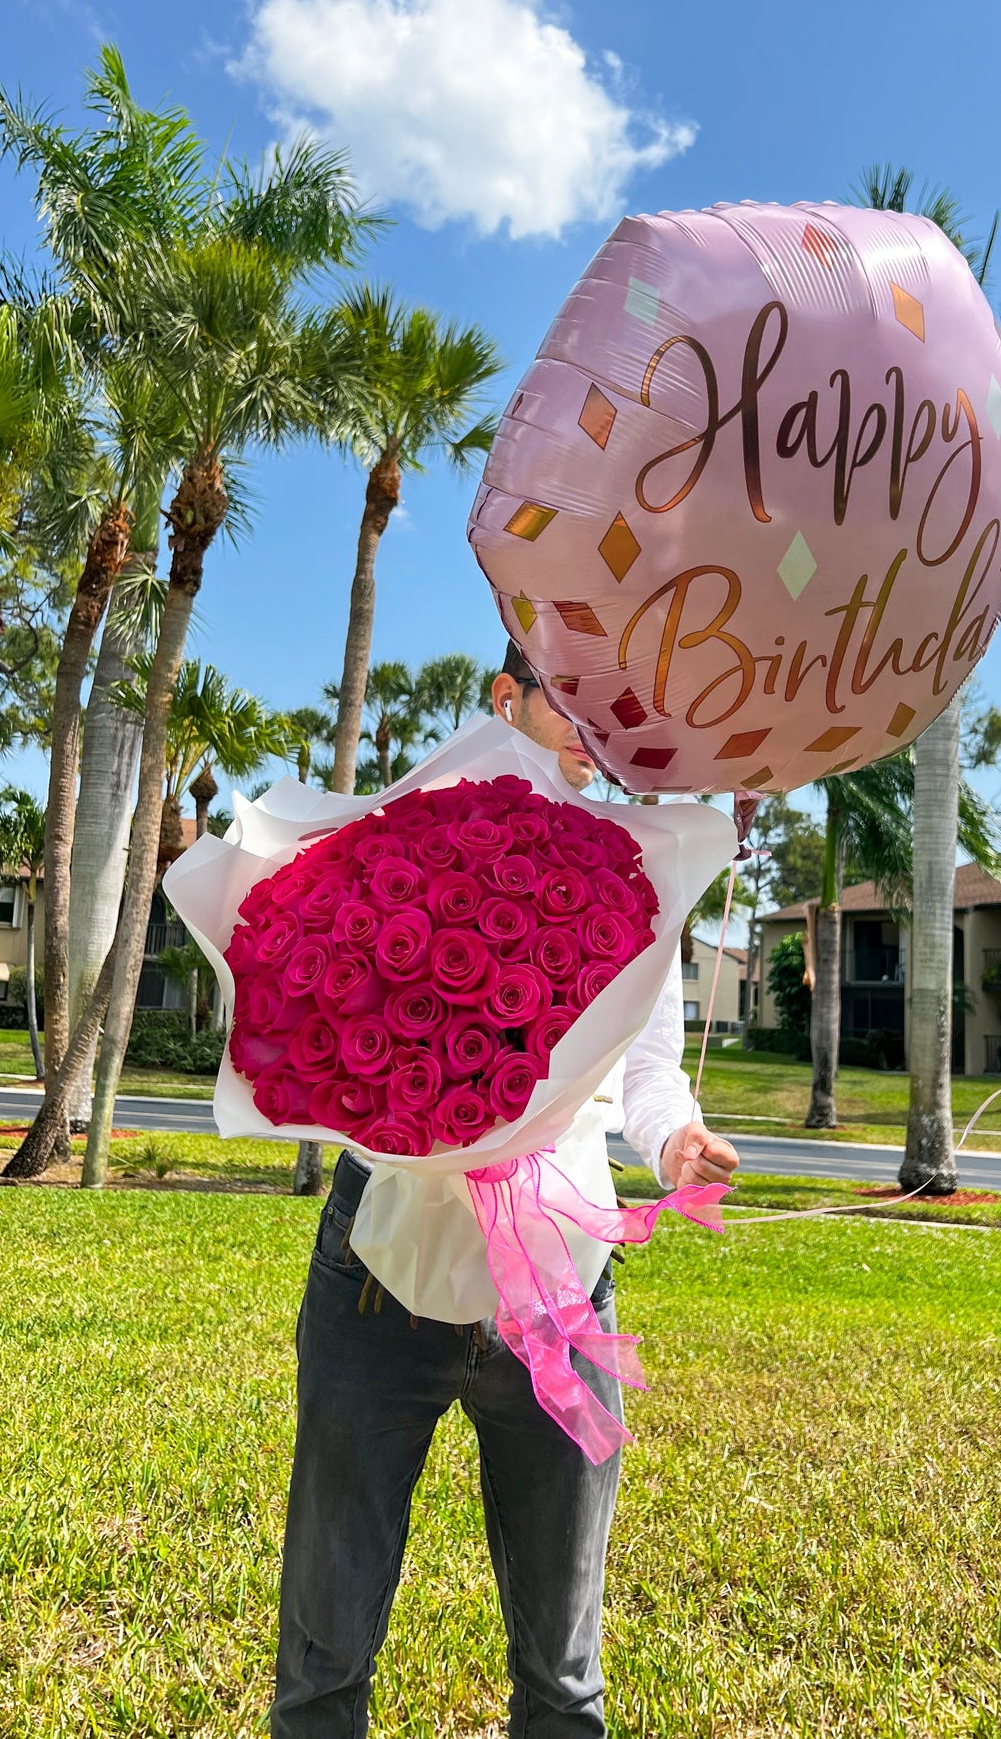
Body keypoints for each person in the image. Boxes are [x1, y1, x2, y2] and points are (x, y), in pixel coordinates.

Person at [271, 639, 740, 1738]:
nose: (596, 736)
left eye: (616, 718)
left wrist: (673, 1141)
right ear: (505, 700)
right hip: (383, 1271)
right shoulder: (416, 838)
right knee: (326, 1655)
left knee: (563, 1676)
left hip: (560, 1283)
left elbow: (645, 1069)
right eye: (572, 705)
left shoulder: (640, 867)